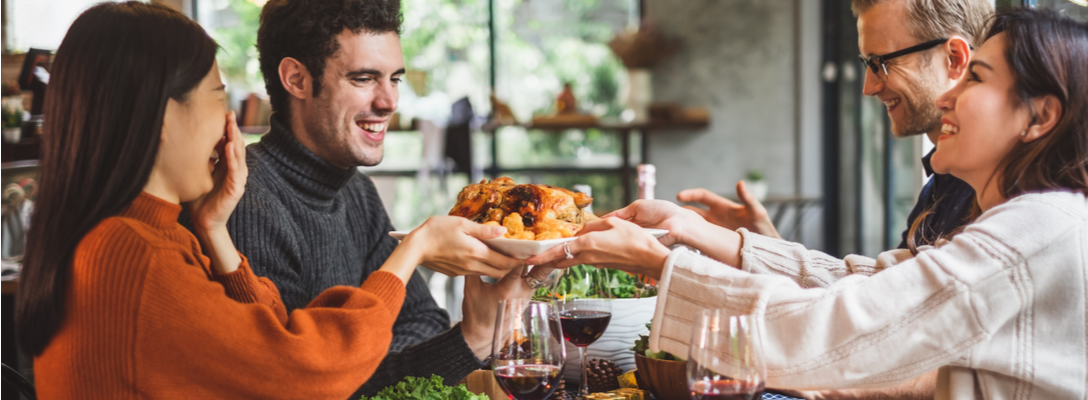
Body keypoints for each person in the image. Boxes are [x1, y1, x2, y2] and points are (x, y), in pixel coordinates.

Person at [529, 8, 1088, 399]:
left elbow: (847, 325)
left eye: (977, 80)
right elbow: (869, 285)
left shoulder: (1036, 232)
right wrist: (698, 232)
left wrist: (659, 263)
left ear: (1040, 117)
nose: (949, 94)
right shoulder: (1035, 223)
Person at [14, 2, 512, 398]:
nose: (229, 122)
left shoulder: (154, 235)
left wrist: (214, 233)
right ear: (161, 116)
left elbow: (268, 336)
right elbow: (301, 372)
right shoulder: (133, 255)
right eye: (218, 95)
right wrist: (414, 250)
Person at [188, 0, 547, 395]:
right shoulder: (245, 201)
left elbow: (423, 320)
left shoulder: (356, 190)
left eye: (394, 78)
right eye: (363, 78)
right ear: (297, 79)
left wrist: (360, 356)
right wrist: (473, 338)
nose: (390, 101)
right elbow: (311, 386)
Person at [680, 0, 990, 251]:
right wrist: (766, 246)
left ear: (954, 58)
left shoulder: (995, 192)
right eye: (866, 64)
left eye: (880, 63)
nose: (868, 87)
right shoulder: (942, 184)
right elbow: (877, 300)